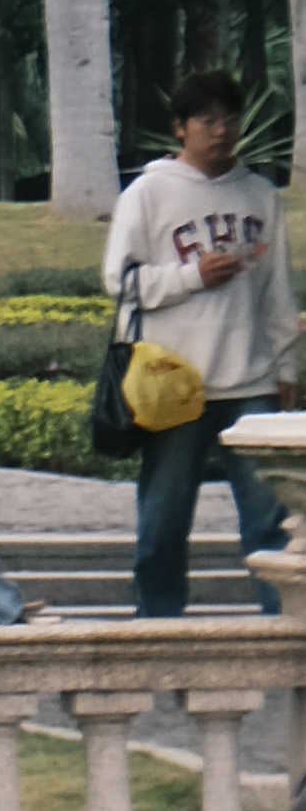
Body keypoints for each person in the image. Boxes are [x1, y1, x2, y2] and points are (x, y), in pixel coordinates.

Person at [105, 65, 300, 621]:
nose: (220, 130)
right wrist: (193, 276)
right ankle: (158, 624)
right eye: (206, 120)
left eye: (229, 119)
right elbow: (120, 282)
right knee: (164, 519)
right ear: (180, 129)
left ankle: (283, 627)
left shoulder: (259, 194)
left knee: (270, 519)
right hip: (173, 385)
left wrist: (286, 367)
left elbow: (276, 289)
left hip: (252, 382)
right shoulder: (147, 193)